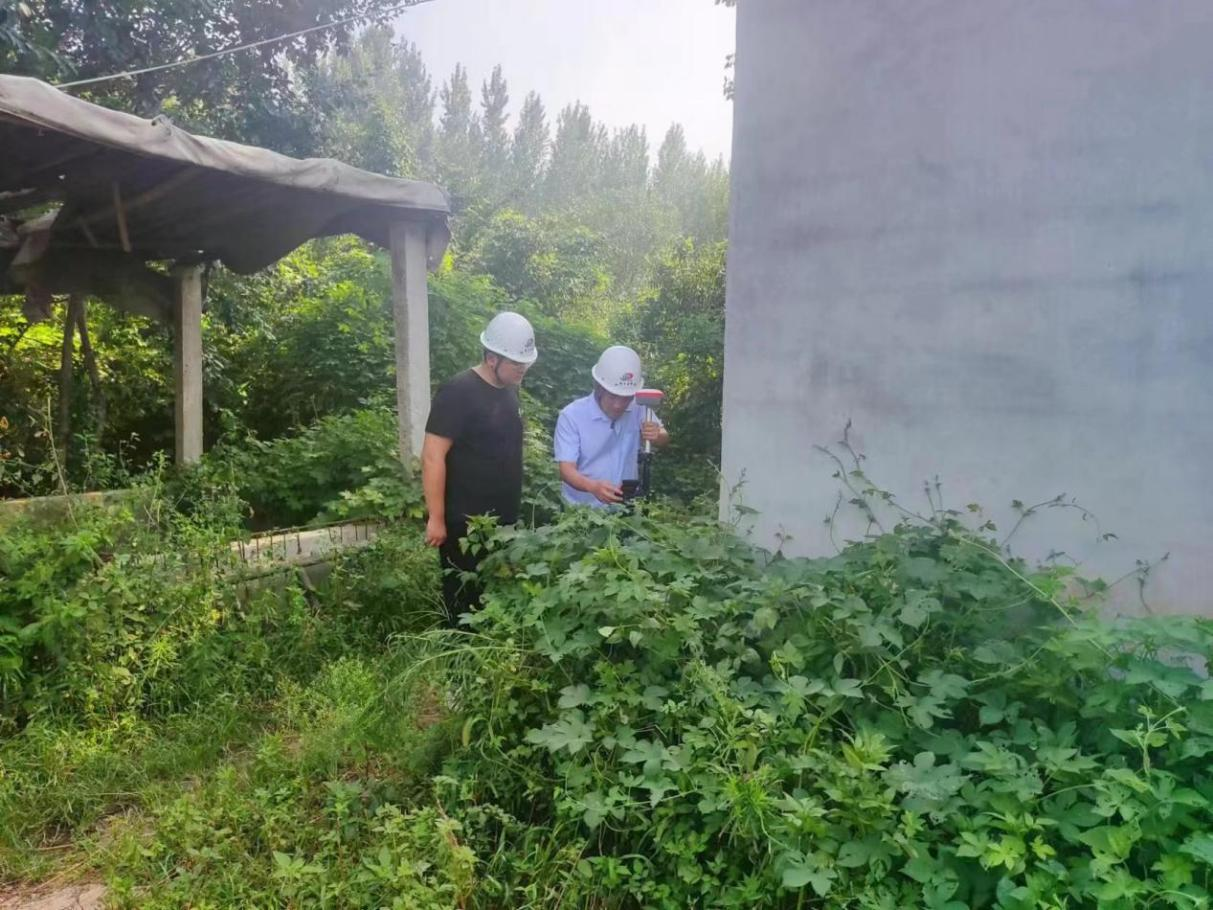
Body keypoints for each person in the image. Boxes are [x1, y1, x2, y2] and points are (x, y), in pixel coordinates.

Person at [422, 311, 537, 623]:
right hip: (465, 524)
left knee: (495, 600)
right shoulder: (458, 391)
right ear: (491, 358)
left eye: (525, 362)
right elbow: (432, 456)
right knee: (463, 603)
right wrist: (436, 517)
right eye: (516, 363)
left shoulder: (509, 390)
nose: (522, 369)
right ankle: (458, 650)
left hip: (503, 521)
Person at [554, 345, 670, 507]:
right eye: (613, 396)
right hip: (580, 511)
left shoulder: (639, 407)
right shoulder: (572, 415)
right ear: (600, 388)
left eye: (626, 398)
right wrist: (593, 487)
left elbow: (664, 437)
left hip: (625, 507)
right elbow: (566, 470)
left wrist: (657, 434)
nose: (618, 405)